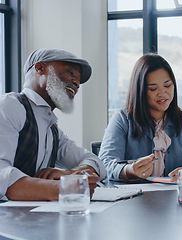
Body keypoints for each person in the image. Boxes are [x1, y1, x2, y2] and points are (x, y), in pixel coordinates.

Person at [0, 48, 107, 201]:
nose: (76, 83)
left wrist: (71, 174)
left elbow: (96, 162)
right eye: (70, 73)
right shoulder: (10, 106)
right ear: (40, 68)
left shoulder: (53, 130)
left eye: (78, 79)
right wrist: (65, 187)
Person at [99, 53, 182, 182]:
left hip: (175, 198)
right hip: (134, 199)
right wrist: (129, 170)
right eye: (153, 89)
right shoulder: (122, 119)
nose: (163, 93)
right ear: (139, 91)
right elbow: (104, 164)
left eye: (168, 85)